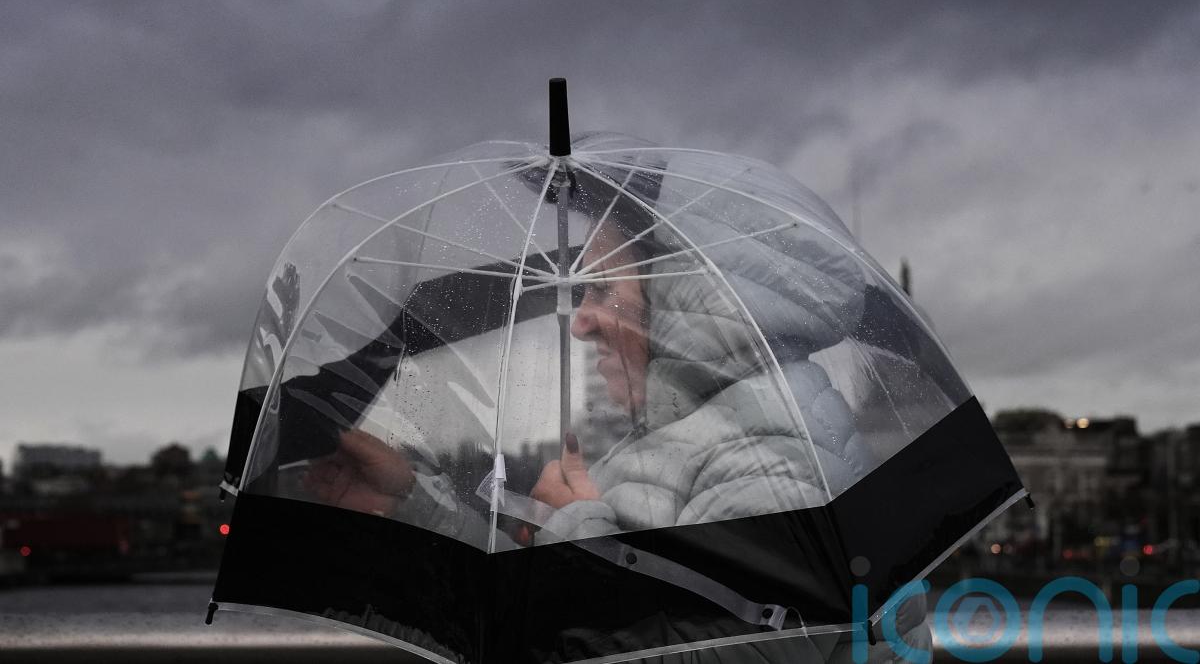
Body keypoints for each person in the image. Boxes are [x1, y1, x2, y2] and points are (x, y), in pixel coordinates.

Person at [303, 173, 931, 662]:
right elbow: (566, 606)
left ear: (681, 301)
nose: (580, 321)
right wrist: (412, 508)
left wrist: (575, 531)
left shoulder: (772, 459)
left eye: (603, 289)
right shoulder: (687, 435)